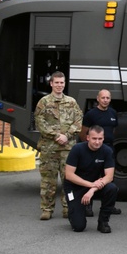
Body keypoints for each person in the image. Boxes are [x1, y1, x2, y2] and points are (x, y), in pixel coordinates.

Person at [34, 71, 83, 221]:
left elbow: (78, 120)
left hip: (68, 149)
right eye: (57, 82)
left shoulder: (71, 102)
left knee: (68, 180)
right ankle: (47, 209)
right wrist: (56, 135)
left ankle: (68, 208)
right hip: (50, 148)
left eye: (62, 83)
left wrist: (66, 136)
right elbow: (39, 122)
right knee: (49, 180)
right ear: (51, 84)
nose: (59, 85)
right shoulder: (43, 102)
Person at [63, 126, 118, 233]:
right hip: (74, 187)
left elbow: (109, 176)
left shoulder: (107, 151)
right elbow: (69, 175)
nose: (97, 142)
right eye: (94, 138)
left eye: (100, 139)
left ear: (103, 138)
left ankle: (103, 222)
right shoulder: (77, 149)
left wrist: (92, 189)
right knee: (79, 227)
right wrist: (90, 185)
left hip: (92, 186)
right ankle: (73, 212)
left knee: (112, 188)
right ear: (88, 137)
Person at [79, 88, 121, 217]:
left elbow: (113, 131)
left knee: (109, 178)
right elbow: (83, 133)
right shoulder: (90, 114)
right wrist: (89, 148)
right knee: (90, 177)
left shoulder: (113, 113)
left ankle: (109, 205)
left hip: (108, 149)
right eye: (103, 98)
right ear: (98, 99)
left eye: (108, 98)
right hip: (94, 150)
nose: (105, 100)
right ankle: (87, 207)